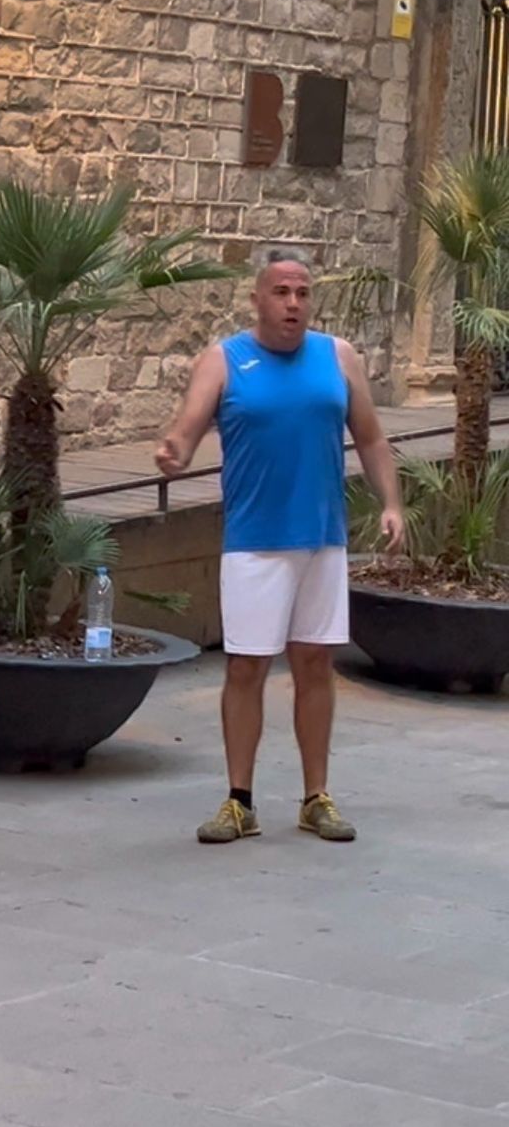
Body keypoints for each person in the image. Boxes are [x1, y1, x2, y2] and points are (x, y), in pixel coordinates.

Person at [155, 249, 404, 847]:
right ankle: (239, 801)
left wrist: (391, 503)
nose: (293, 303)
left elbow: (372, 439)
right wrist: (174, 452)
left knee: (316, 664)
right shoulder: (224, 360)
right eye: (282, 292)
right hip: (255, 542)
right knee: (246, 667)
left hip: (322, 538)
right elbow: (186, 428)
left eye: (302, 293)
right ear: (258, 300)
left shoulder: (338, 356)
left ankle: (316, 798)